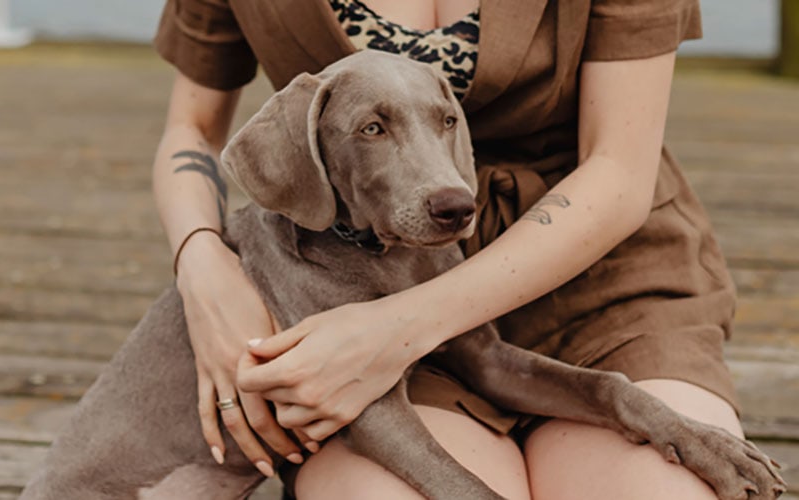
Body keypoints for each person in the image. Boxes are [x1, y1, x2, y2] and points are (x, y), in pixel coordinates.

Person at [152, 0, 743, 498]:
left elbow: (617, 166)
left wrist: (400, 327)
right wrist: (202, 264)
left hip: (598, 277)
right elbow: (195, 128)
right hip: (353, 285)